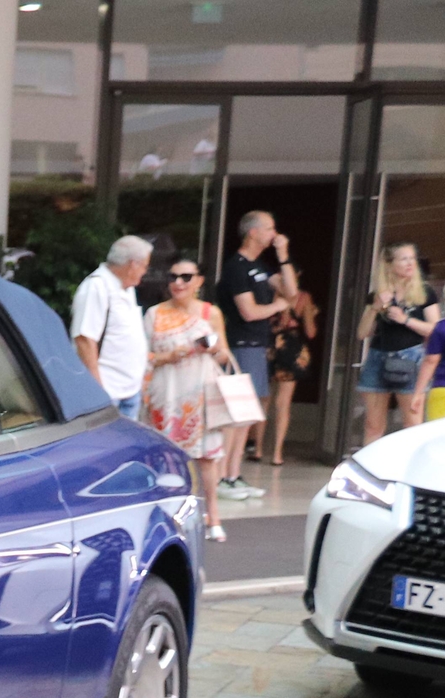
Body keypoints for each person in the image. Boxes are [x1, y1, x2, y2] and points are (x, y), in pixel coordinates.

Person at [144, 258, 229, 541]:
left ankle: (213, 517)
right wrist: (169, 356)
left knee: (206, 458)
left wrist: (213, 348)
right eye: (173, 277)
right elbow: (142, 358)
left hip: (200, 392)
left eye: (186, 277)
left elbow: (225, 355)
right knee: (167, 458)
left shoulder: (210, 312)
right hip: (165, 393)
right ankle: (169, 515)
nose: (178, 282)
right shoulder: (154, 314)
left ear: (199, 282)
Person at [213, 211, 290, 502]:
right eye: (269, 228)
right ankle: (222, 475)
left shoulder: (261, 266)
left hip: (256, 346)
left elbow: (292, 292)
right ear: (253, 233)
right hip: (241, 345)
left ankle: (233, 475)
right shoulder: (236, 267)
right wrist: (276, 307)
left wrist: (283, 255)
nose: (274, 233)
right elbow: (249, 311)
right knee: (236, 414)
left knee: (245, 416)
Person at [358, 241, 440, 444]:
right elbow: (362, 333)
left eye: (412, 259)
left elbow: (436, 330)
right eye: (404, 259)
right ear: (389, 264)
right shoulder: (377, 295)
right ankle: (373, 470)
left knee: (412, 425)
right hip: (378, 357)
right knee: (373, 425)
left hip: (412, 358)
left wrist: (407, 320)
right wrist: (376, 307)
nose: (410, 263)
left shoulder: (424, 293)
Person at [71, 235, 152, 419]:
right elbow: (84, 340)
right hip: (107, 393)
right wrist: (98, 391)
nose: (145, 272)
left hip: (129, 391)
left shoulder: (127, 288)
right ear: (133, 265)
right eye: (145, 266)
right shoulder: (97, 286)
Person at [262, 273, 317, 467]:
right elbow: (311, 332)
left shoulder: (268, 295)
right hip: (292, 349)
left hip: (268, 347)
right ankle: (277, 453)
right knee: (282, 403)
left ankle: (258, 449)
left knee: (263, 400)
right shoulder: (303, 298)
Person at [410, 273, 445, 425]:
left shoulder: (442, 328)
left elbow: (431, 361)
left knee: (437, 434)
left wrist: (418, 392)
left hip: (443, 388)